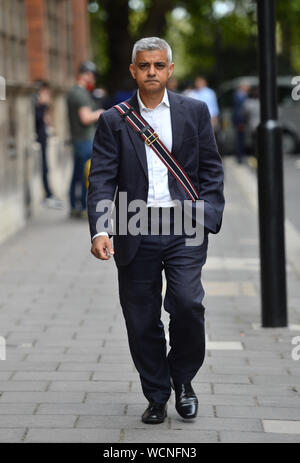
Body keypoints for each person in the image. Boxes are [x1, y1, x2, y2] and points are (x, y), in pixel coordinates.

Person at [87, 37, 225, 424]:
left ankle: (183, 380)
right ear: (133, 71)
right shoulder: (114, 119)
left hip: (185, 227)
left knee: (187, 304)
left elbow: (212, 168)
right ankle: (156, 394)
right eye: (144, 66)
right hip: (135, 228)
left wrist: (208, 212)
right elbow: (101, 180)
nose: (152, 72)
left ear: (170, 69)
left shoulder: (194, 111)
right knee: (141, 317)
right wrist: (100, 230)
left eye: (159, 65)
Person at [66, 61, 104, 218]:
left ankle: (75, 206)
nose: (93, 81)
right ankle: (82, 206)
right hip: (84, 141)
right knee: (85, 175)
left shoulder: (74, 92)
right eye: (93, 76)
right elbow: (85, 118)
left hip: (79, 140)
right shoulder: (80, 94)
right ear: (88, 75)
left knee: (78, 174)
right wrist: (101, 113)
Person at [34, 80, 63, 209]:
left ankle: (49, 194)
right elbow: (37, 120)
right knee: (44, 169)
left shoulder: (43, 106)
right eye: (46, 93)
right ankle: (47, 196)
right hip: (39, 141)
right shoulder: (37, 106)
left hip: (44, 140)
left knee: (47, 168)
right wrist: (43, 106)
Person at [232, 80, 250, 163]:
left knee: (241, 139)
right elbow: (239, 110)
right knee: (240, 139)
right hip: (240, 121)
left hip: (242, 120)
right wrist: (240, 122)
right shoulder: (239, 95)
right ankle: (240, 157)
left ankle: (241, 156)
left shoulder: (243, 95)